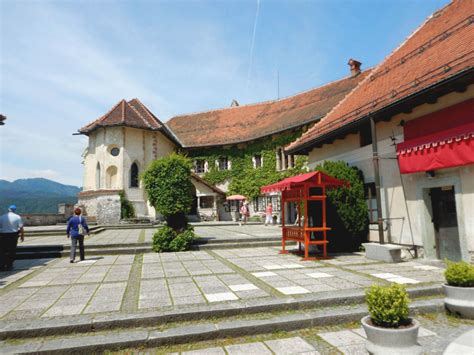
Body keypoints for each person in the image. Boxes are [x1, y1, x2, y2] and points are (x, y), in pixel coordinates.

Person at [0, 205, 24, 271]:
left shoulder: (1, 217)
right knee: (12, 250)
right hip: (13, 235)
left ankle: (2, 265)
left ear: (8, 210)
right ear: (14, 210)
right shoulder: (17, 217)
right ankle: (9, 264)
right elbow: (21, 227)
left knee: (3, 251)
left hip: (3, 236)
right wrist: (22, 236)